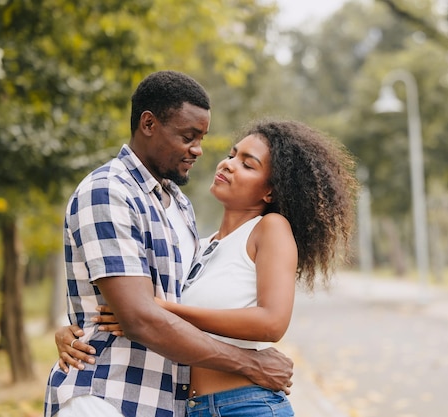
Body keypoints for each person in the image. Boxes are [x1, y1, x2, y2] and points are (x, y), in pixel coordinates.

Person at [56, 118, 360, 417]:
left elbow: (272, 323)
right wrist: (75, 331)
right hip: (189, 408)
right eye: (231, 155)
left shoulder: (269, 229)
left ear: (270, 192)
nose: (228, 164)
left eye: (247, 164)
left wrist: (162, 310)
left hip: (247, 405)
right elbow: (147, 313)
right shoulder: (195, 245)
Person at [44, 71, 293, 417]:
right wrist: (251, 365)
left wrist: (152, 309)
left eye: (202, 138)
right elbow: (139, 317)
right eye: (188, 137)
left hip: (168, 404)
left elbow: (161, 305)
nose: (200, 150)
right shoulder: (109, 191)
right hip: (108, 397)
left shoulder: (179, 206)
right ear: (148, 124)